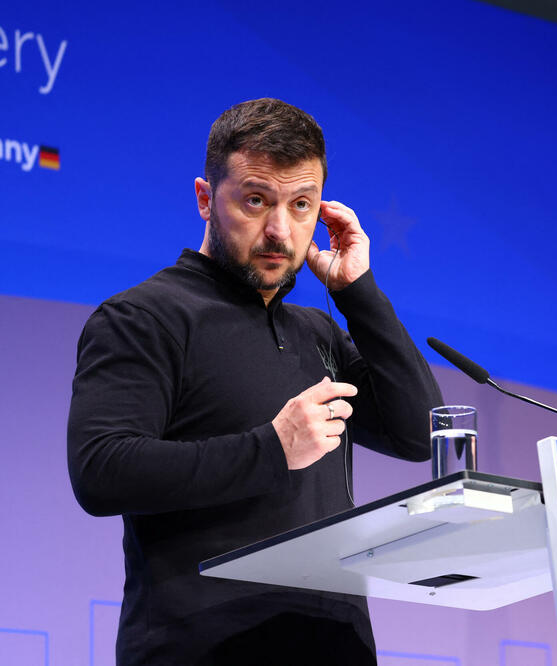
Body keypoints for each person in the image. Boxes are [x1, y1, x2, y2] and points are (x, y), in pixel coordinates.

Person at [67, 98, 443, 665]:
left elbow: (418, 435)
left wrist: (357, 295)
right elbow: (101, 470)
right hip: (202, 649)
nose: (279, 230)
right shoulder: (143, 317)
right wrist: (271, 449)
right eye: (256, 200)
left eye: (300, 206)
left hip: (335, 647)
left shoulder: (316, 329)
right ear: (204, 198)